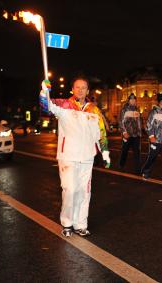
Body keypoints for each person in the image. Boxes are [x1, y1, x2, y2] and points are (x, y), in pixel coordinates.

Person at [46, 77, 110, 238]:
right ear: (72, 89)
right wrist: (44, 90)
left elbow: (101, 133)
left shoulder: (94, 110)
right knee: (70, 189)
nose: (80, 90)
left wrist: (105, 153)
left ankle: (81, 224)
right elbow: (45, 105)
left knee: (84, 191)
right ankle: (67, 223)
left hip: (87, 156)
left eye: (84, 88)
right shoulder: (64, 105)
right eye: (77, 87)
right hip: (68, 156)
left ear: (88, 91)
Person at [141, 93, 162, 183]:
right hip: (156, 140)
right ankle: (145, 172)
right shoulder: (154, 112)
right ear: (160, 101)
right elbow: (148, 125)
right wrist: (151, 137)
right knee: (152, 158)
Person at [118, 93, 142, 173]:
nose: (133, 101)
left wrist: (140, 132)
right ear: (128, 101)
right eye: (131, 99)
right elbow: (121, 121)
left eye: (134, 99)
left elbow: (138, 121)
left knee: (137, 152)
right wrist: (124, 132)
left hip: (136, 135)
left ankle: (138, 169)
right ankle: (121, 164)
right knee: (125, 150)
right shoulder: (124, 109)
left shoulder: (137, 109)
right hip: (127, 135)